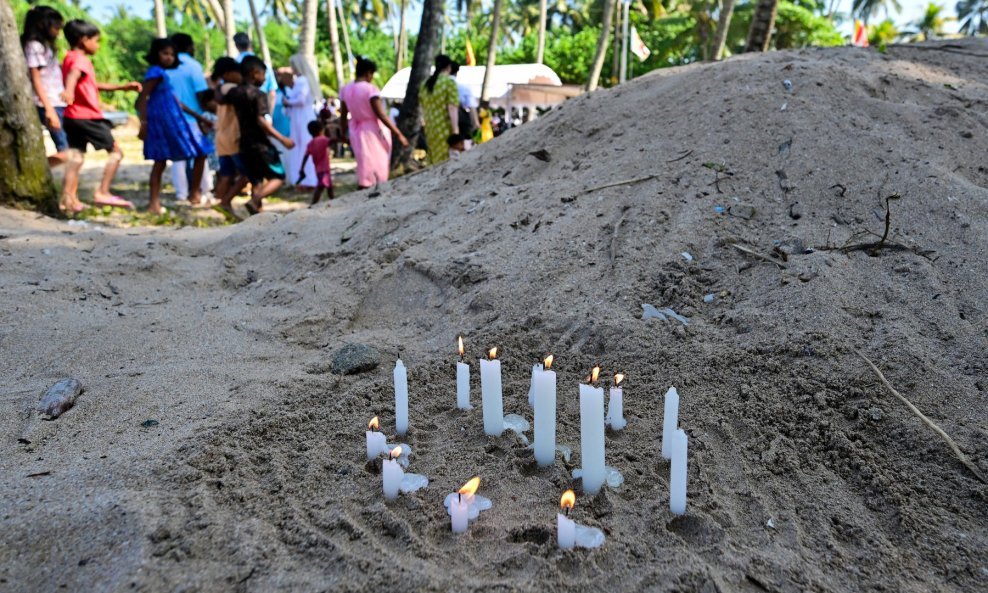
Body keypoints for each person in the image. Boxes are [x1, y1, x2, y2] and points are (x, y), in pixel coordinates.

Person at [60, 19, 142, 213]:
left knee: (76, 158)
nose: (97, 45)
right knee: (116, 152)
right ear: (83, 40)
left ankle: (68, 199)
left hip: (72, 116)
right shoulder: (81, 60)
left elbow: (90, 84)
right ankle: (103, 192)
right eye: (95, 41)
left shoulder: (68, 57)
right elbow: (74, 75)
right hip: (87, 116)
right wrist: (69, 91)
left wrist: (122, 87)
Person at [135, 38, 214, 214]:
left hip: (174, 121)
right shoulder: (155, 72)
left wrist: (200, 117)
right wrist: (144, 122)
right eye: (165, 53)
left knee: (197, 153)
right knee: (163, 161)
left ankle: (191, 194)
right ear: (156, 54)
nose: (169, 57)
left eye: (172, 54)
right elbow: (142, 98)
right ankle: (155, 203)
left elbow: (177, 102)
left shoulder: (164, 74)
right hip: (162, 123)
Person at [225, 56, 294, 215]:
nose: (264, 79)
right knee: (278, 177)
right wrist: (282, 139)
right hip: (260, 143)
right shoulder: (258, 94)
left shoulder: (235, 92)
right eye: (264, 74)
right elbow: (261, 120)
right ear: (254, 73)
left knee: (256, 178)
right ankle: (255, 200)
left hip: (244, 142)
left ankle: (258, 213)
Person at [338, 57, 408, 189]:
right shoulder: (370, 89)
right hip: (372, 130)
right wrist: (398, 134)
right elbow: (381, 114)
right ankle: (373, 189)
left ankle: (364, 187)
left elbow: (343, 115)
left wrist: (343, 133)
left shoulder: (345, 89)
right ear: (368, 73)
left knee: (363, 163)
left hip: (355, 130)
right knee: (378, 163)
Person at [166, 33, 212, 202]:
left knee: (179, 157)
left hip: (172, 119)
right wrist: (205, 115)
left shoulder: (167, 66)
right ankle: (203, 190)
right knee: (201, 154)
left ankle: (181, 194)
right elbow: (201, 93)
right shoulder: (193, 66)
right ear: (187, 46)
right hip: (194, 118)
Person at [21, 6, 68, 170]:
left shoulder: (45, 47)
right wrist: (49, 109)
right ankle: (32, 170)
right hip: (47, 104)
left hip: (55, 102)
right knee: (66, 152)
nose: (58, 32)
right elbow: (36, 79)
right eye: (56, 28)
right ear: (42, 25)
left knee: (69, 151)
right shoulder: (34, 46)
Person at [209, 57, 244, 216]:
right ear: (229, 73)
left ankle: (222, 204)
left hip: (221, 136)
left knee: (226, 173)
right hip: (233, 136)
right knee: (247, 174)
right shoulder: (233, 89)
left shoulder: (220, 89)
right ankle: (225, 201)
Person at [284, 54, 321, 188]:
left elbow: (301, 100)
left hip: (301, 117)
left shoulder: (302, 81)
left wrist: (287, 101)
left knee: (303, 145)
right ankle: (304, 179)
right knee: (303, 145)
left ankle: (306, 179)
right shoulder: (302, 81)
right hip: (302, 116)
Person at [419, 54, 459, 166]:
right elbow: (452, 107)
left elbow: (422, 107)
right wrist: (455, 131)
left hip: (430, 128)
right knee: (445, 161)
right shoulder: (449, 82)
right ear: (449, 67)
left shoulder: (425, 84)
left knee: (433, 158)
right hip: (445, 128)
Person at [233, 32, 276, 110]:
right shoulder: (264, 64)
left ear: (236, 46)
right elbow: (272, 93)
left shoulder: (233, 66)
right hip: (262, 109)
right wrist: (268, 116)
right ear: (250, 44)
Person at [298, 120, 334, 205]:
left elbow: (305, 157)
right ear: (321, 130)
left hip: (318, 169)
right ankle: (313, 203)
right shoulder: (323, 139)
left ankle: (332, 200)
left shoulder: (310, 143)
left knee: (329, 186)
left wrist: (302, 169)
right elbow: (332, 141)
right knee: (321, 187)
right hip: (325, 168)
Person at [449, 61, 479, 149]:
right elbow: (471, 107)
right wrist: (476, 123)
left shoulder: (437, 87)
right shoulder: (463, 87)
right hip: (462, 123)